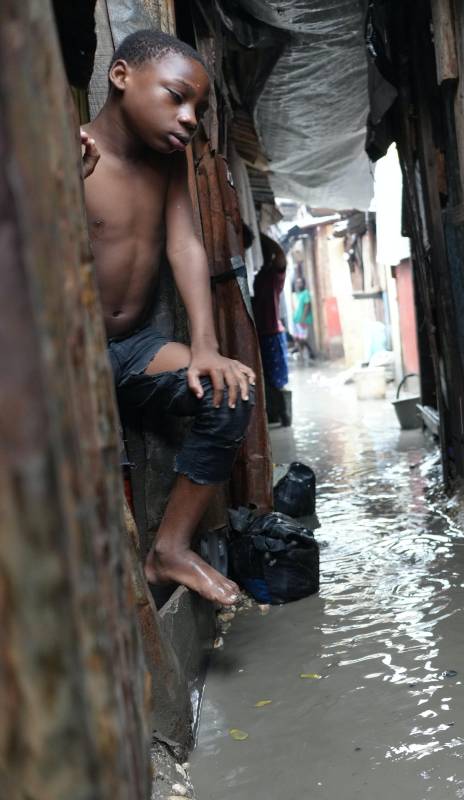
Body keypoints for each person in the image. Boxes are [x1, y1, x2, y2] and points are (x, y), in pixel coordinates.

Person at [82, 29, 252, 606]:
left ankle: (169, 550)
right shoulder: (71, 154)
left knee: (229, 394)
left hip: (131, 348)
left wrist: (204, 345)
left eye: (198, 109)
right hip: (57, 361)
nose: (189, 119)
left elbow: (185, 246)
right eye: (177, 97)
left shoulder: (169, 165)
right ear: (121, 75)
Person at [252, 232, 289, 424]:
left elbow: (281, 256)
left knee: (273, 378)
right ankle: (276, 413)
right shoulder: (255, 277)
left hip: (271, 333)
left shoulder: (272, 276)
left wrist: (261, 235)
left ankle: (282, 413)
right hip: (259, 333)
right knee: (266, 377)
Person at [291, 272, 315, 361]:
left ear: (303, 284)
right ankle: (301, 354)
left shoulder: (305, 293)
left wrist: (303, 319)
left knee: (302, 338)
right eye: (297, 282)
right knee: (298, 338)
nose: (298, 284)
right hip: (296, 320)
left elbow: (307, 306)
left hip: (303, 320)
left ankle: (310, 351)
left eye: (300, 282)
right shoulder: (298, 294)